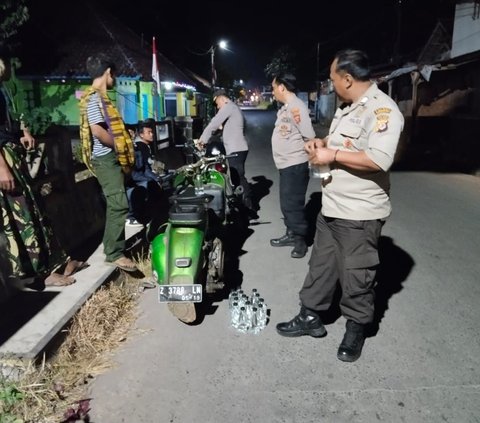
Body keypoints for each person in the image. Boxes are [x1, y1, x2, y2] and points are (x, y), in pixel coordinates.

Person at [276, 49, 404, 362]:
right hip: (332, 206)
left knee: (356, 275)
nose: (331, 84)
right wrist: (322, 144)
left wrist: (331, 156)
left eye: (334, 79)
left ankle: (356, 328)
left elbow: (378, 158)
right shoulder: (347, 108)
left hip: (359, 214)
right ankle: (310, 316)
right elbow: (343, 145)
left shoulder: (383, 110)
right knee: (320, 266)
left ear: (347, 78)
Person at [0, 46, 86, 287]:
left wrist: (23, 132)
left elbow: (12, 119)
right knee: (23, 218)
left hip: (12, 153)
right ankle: (38, 274)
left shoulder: (5, 89)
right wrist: (2, 168)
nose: (10, 67)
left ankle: (59, 262)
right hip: (3, 161)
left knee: (37, 211)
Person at [79, 53, 137, 272]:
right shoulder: (94, 98)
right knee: (119, 203)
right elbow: (97, 131)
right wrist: (120, 144)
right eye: (115, 74)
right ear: (108, 72)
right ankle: (113, 253)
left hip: (109, 157)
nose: (116, 78)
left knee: (117, 203)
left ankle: (116, 248)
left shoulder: (100, 98)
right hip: (105, 158)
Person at [269, 73, 315, 258]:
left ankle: (300, 241)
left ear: (282, 87)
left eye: (273, 88)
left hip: (295, 165)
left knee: (292, 205)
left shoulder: (297, 108)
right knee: (286, 203)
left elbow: (309, 136)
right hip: (286, 165)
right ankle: (290, 234)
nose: (273, 92)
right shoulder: (286, 108)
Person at [198, 89, 257, 218]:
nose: (217, 106)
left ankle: (249, 210)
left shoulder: (229, 107)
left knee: (238, 178)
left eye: (217, 103)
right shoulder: (233, 109)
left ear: (222, 98)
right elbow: (223, 128)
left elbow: (213, 123)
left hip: (236, 149)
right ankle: (243, 207)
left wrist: (202, 140)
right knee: (236, 178)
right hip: (236, 148)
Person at [125, 120, 162, 226]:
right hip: (131, 181)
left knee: (153, 184)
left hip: (140, 177)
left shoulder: (137, 148)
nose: (132, 135)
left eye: (132, 132)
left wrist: (155, 178)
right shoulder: (130, 149)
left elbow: (145, 167)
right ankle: (131, 217)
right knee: (146, 187)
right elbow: (133, 173)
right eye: (129, 133)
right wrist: (149, 180)